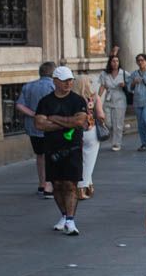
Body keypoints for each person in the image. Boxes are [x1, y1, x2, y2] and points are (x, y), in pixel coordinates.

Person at [35, 66, 92, 235]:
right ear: (55, 82)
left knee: (70, 183)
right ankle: (64, 215)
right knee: (57, 184)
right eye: (65, 80)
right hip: (52, 149)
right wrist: (68, 121)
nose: (68, 83)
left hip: (73, 148)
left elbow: (79, 121)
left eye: (70, 80)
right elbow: (39, 124)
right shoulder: (45, 102)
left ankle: (70, 220)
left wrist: (53, 119)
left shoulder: (78, 101)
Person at [16, 61, 58, 197]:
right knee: (51, 155)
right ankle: (50, 185)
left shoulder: (28, 86)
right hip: (51, 126)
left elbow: (19, 105)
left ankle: (42, 183)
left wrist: (33, 114)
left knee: (40, 155)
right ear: (53, 73)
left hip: (33, 127)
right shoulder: (54, 86)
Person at [74, 73, 105, 200]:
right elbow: (101, 115)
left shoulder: (73, 98)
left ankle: (89, 186)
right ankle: (81, 188)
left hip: (76, 131)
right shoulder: (94, 97)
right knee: (89, 161)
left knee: (81, 159)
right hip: (91, 131)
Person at [96, 53, 130, 152]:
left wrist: (125, 85)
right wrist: (97, 98)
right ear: (110, 63)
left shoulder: (124, 73)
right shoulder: (104, 74)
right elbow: (102, 86)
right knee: (107, 122)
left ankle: (116, 143)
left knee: (118, 124)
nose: (115, 63)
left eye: (117, 61)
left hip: (120, 99)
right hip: (108, 99)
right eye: (113, 61)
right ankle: (121, 128)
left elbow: (130, 85)